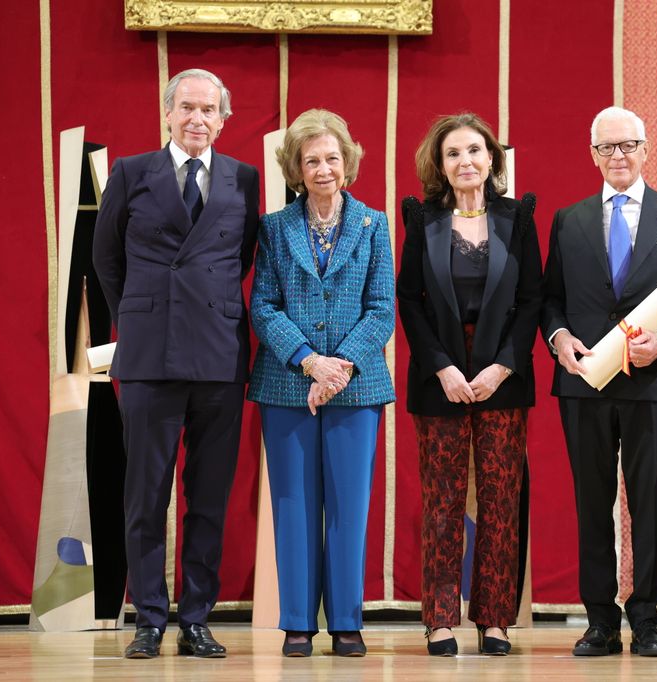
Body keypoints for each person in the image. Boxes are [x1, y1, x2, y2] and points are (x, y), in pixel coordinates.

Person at [92, 68, 259, 659]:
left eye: (209, 110)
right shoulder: (132, 173)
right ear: (167, 113)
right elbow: (106, 256)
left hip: (218, 355)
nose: (198, 119)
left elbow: (240, 258)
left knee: (208, 496)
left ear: (223, 118)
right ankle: (148, 617)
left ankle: (196, 617)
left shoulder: (244, 177)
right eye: (187, 107)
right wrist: (139, 315)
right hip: (148, 356)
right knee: (145, 494)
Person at [541, 106, 657, 657]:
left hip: (652, 382)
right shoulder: (569, 219)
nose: (618, 156)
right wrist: (560, 339)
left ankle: (647, 617)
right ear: (593, 155)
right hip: (585, 383)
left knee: (650, 501)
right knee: (592, 502)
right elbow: (551, 299)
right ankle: (600, 620)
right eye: (606, 148)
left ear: (645, 149)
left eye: (627, 145)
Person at [248, 109, 395, 658]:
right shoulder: (274, 227)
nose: (324, 168)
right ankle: (296, 624)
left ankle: (348, 622)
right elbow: (263, 306)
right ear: (296, 169)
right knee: (293, 505)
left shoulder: (374, 223)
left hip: (357, 388)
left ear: (348, 162)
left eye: (332, 158)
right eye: (312, 160)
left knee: (349, 506)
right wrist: (311, 362)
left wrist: (340, 367)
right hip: (288, 383)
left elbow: (382, 309)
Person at [397, 112, 541, 657]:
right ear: (440, 164)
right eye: (453, 153)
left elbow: (532, 300)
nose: (465, 162)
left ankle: (495, 618)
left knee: (502, 501)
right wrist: (443, 367)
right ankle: (439, 619)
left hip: (502, 375)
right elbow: (409, 301)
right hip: (441, 378)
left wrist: (502, 365)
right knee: (442, 501)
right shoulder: (421, 218)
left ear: (491, 159)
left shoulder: (517, 217)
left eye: (475, 151)